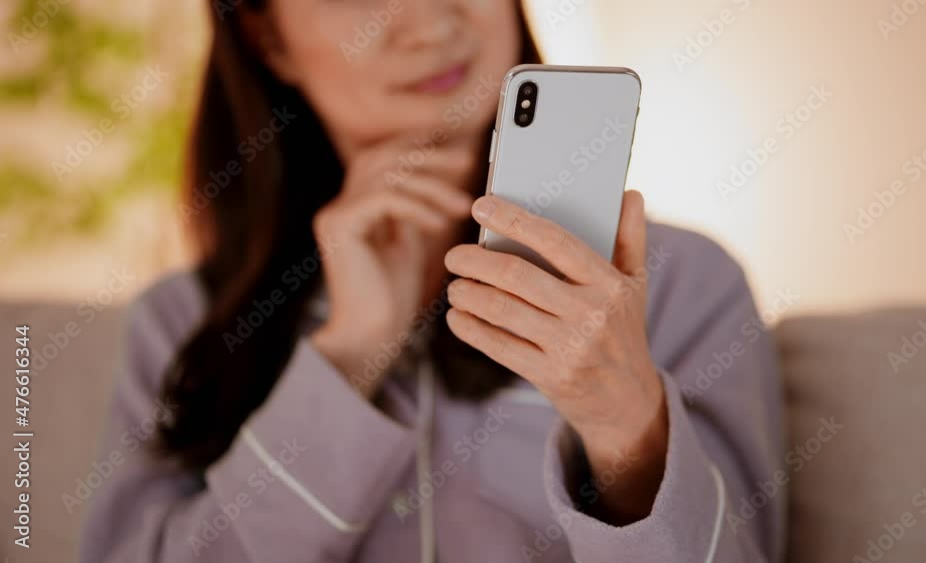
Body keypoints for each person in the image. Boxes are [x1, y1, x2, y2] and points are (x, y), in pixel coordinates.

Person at [80, 0, 785, 561]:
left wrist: (625, 423)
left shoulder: (684, 285)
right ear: (268, 38)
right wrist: (347, 355)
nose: (431, 22)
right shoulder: (180, 322)